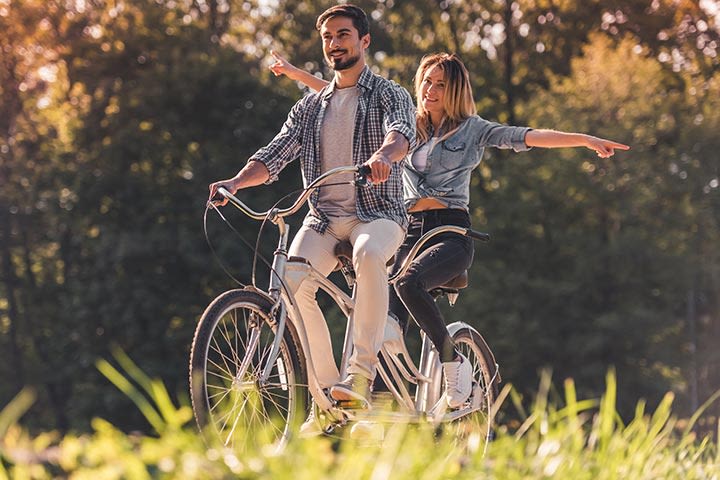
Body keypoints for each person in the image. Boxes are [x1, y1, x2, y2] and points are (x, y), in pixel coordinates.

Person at [269, 52, 630, 409]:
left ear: (455, 90)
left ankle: (452, 361)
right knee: (378, 318)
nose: (430, 89)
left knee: (407, 282)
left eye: (440, 84)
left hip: (450, 233)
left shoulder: (474, 129)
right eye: (426, 81)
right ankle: (370, 403)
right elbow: (343, 97)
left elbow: (528, 136)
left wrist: (583, 139)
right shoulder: (406, 123)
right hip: (408, 230)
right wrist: (295, 73)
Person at [208, 3, 416, 429]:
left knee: (371, 253)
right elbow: (274, 155)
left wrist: (384, 157)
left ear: (364, 41)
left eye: (343, 35)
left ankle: (359, 375)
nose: (334, 44)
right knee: (291, 283)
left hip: (377, 213)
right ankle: (327, 399)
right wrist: (233, 182)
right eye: (328, 38)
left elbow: (402, 133)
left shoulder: (388, 93)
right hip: (322, 217)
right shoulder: (310, 107)